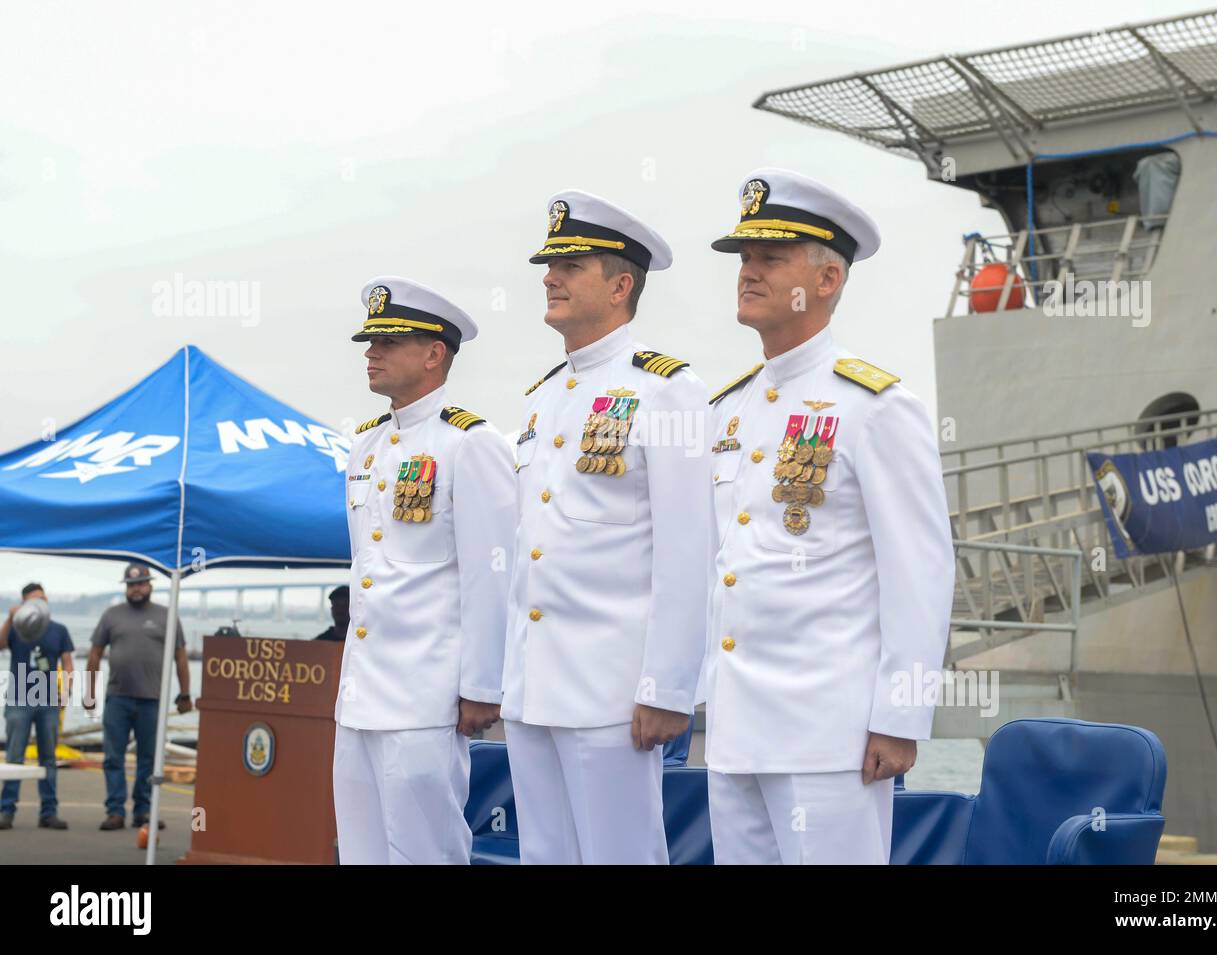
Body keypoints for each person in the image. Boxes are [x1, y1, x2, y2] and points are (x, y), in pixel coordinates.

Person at [702, 168, 955, 864]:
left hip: (829, 735)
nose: (748, 272)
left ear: (827, 278)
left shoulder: (874, 406)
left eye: (770, 258)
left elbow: (921, 573)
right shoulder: (729, 410)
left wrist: (900, 718)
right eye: (745, 259)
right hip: (734, 730)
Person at [503, 190, 711, 864]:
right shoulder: (542, 397)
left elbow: (690, 548)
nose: (549, 277)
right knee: (546, 857)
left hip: (611, 690)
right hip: (535, 684)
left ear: (621, 285)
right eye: (549, 264)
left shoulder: (667, 389)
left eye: (571, 265)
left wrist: (667, 687)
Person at [333, 276, 515, 865]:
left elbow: (492, 576)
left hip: (424, 696)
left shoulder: (471, 444)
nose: (371, 353)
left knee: (424, 852)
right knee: (361, 852)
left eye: (388, 341)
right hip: (360, 696)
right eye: (371, 342)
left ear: (435, 353)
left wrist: (481, 687)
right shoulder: (364, 447)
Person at [85, 564, 193, 831]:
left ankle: (143, 812)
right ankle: (115, 812)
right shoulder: (111, 615)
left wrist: (185, 693)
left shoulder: (167, 616)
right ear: (126, 587)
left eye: (141, 584)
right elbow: (95, 653)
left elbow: (180, 656)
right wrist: (89, 693)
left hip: (151, 700)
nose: (136, 589)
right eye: (132, 585)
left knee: (149, 758)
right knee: (113, 757)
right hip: (117, 698)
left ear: (150, 585)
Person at [0, 583, 74, 830]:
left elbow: (67, 662)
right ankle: (6, 810)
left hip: (47, 701)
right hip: (19, 699)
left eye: (43, 599)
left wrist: (67, 691)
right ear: (23, 604)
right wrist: (10, 619)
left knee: (48, 758)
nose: (40, 604)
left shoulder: (58, 629)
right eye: (33, 601)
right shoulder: (17, 628)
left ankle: (49, 812)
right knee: (14, 756)